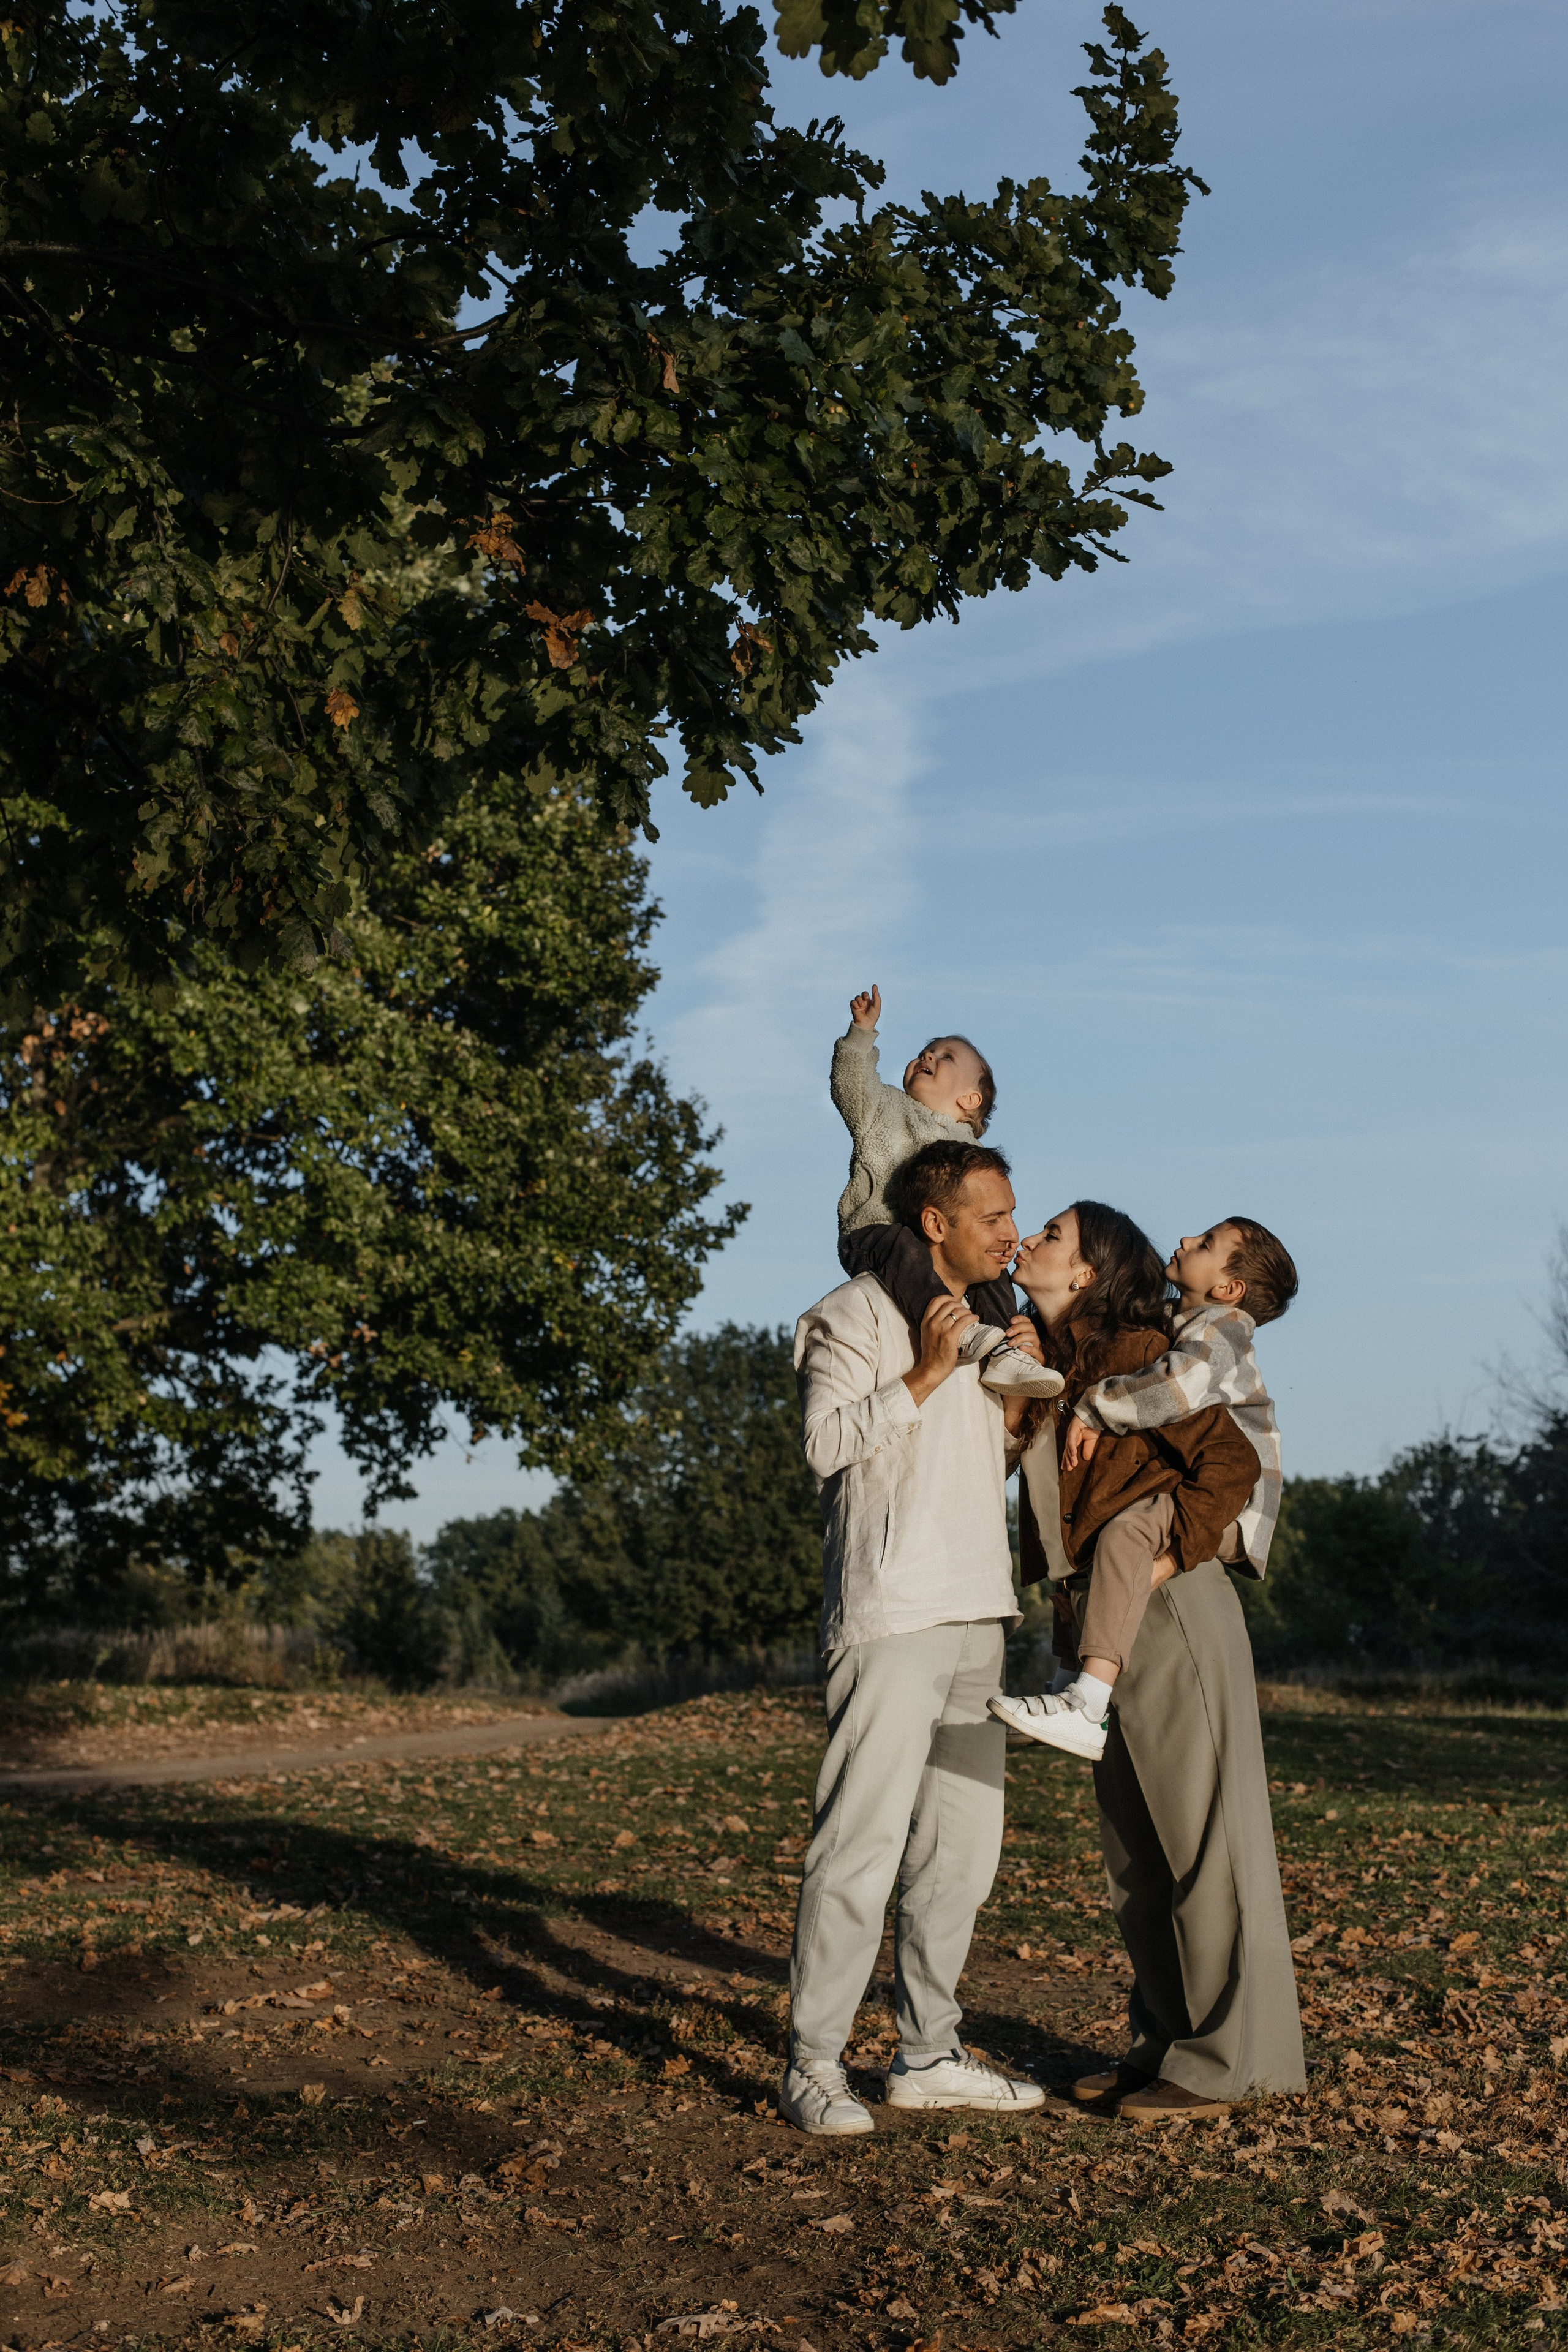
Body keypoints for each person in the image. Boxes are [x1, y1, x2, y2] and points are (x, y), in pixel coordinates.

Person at [1003, 1202, 1306, 2120]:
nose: (1030, 1241)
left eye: (1051, 1235)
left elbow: (1230, 1464)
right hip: (1106, 1618)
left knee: (1202, 1841)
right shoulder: (1061, 1361)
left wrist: (1179, 1553)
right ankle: (1163, 2042)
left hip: (1173, 1611)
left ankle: (1227, 2059)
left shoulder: (1138, 1355)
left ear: (1089, 1270)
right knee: (1137, 1855)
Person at [780, 1139, 1050, 2136]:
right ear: (935, 1222)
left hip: (981, 1612)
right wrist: (929, 1373)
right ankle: (812, 2064)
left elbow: (978, 1466)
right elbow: (826, 1446)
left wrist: (1013, 1409)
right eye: (995, 1217)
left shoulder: (991, 1325)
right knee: (859, 1848)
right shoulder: (852, 1313)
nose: (1013, 1234)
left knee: (961, 1857)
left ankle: (927, 2052)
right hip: (890, 1613)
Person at [992, 1216, 1295, 1757]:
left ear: (1229, 1289)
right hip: (1205, 1507)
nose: (1183, 1240)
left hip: (1236, 1508)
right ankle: (1067, 1689)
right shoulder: (1169, 1324)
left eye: (1205, 1244)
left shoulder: (1218, 1329)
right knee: (1099, 1545)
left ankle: (1086, 1702)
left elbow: (1185, 1396)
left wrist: (1096, 1406)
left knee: (1128, 1529)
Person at [829, 984, 1058, 1398]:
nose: (928, 1056)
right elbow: (850, 1084)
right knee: (905, 1245)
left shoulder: (971, 1155)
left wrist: (996, 1239)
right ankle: (955, 1327)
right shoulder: (883, 1108)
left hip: (943, 1247)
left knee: (989, 1268)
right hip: (876, 1233)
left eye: (945, 1056)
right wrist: (862, 1032)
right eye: (926, 1051)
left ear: (970, 1099)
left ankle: (1006, 1349)